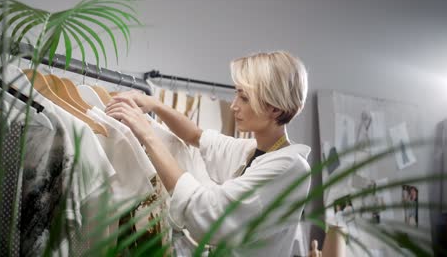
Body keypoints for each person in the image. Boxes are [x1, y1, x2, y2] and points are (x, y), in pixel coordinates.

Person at [105, 51, 312, 256]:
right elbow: (196, 136)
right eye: (236, 94)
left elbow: (208, 212)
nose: (234, 106)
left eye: (244, 98)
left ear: (274, 109)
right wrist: (156, 105)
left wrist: (148, 136)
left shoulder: (288, 167)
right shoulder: (252, 150)